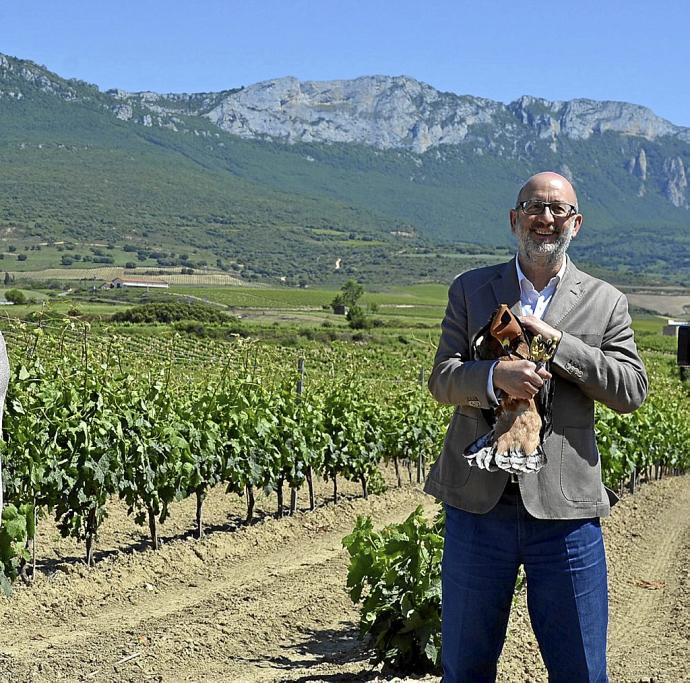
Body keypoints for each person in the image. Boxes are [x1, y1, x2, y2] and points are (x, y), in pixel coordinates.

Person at [424, 172, 648, 682]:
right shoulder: (470, 290)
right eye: (533, 207)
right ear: (513, 219)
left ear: (576, 224)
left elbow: (631, 389)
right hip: (478, 507)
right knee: (464, 668)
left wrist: (557, 343)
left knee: (581, 671)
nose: (545, 218)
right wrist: (492, 375)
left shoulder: (605, 300)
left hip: (565, 514)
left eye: (557, 210)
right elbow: (442, 379)